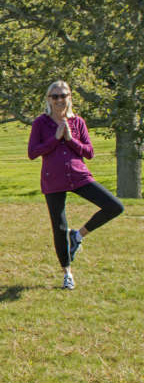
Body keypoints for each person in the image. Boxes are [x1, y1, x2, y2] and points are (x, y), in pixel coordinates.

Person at [27, 80, 124, 290]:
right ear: (48, 100)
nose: (60, 100)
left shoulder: (78, 122)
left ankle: (78, 235)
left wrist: (70, 139)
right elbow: (32, 153)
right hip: (53, 180)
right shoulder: (41, 123)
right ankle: (67, 273)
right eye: (55, 96)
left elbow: (89, 152)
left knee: (115, 206)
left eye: (64, 95)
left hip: (79, 176)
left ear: (70, 97)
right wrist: (55, 138)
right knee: (59, 227)